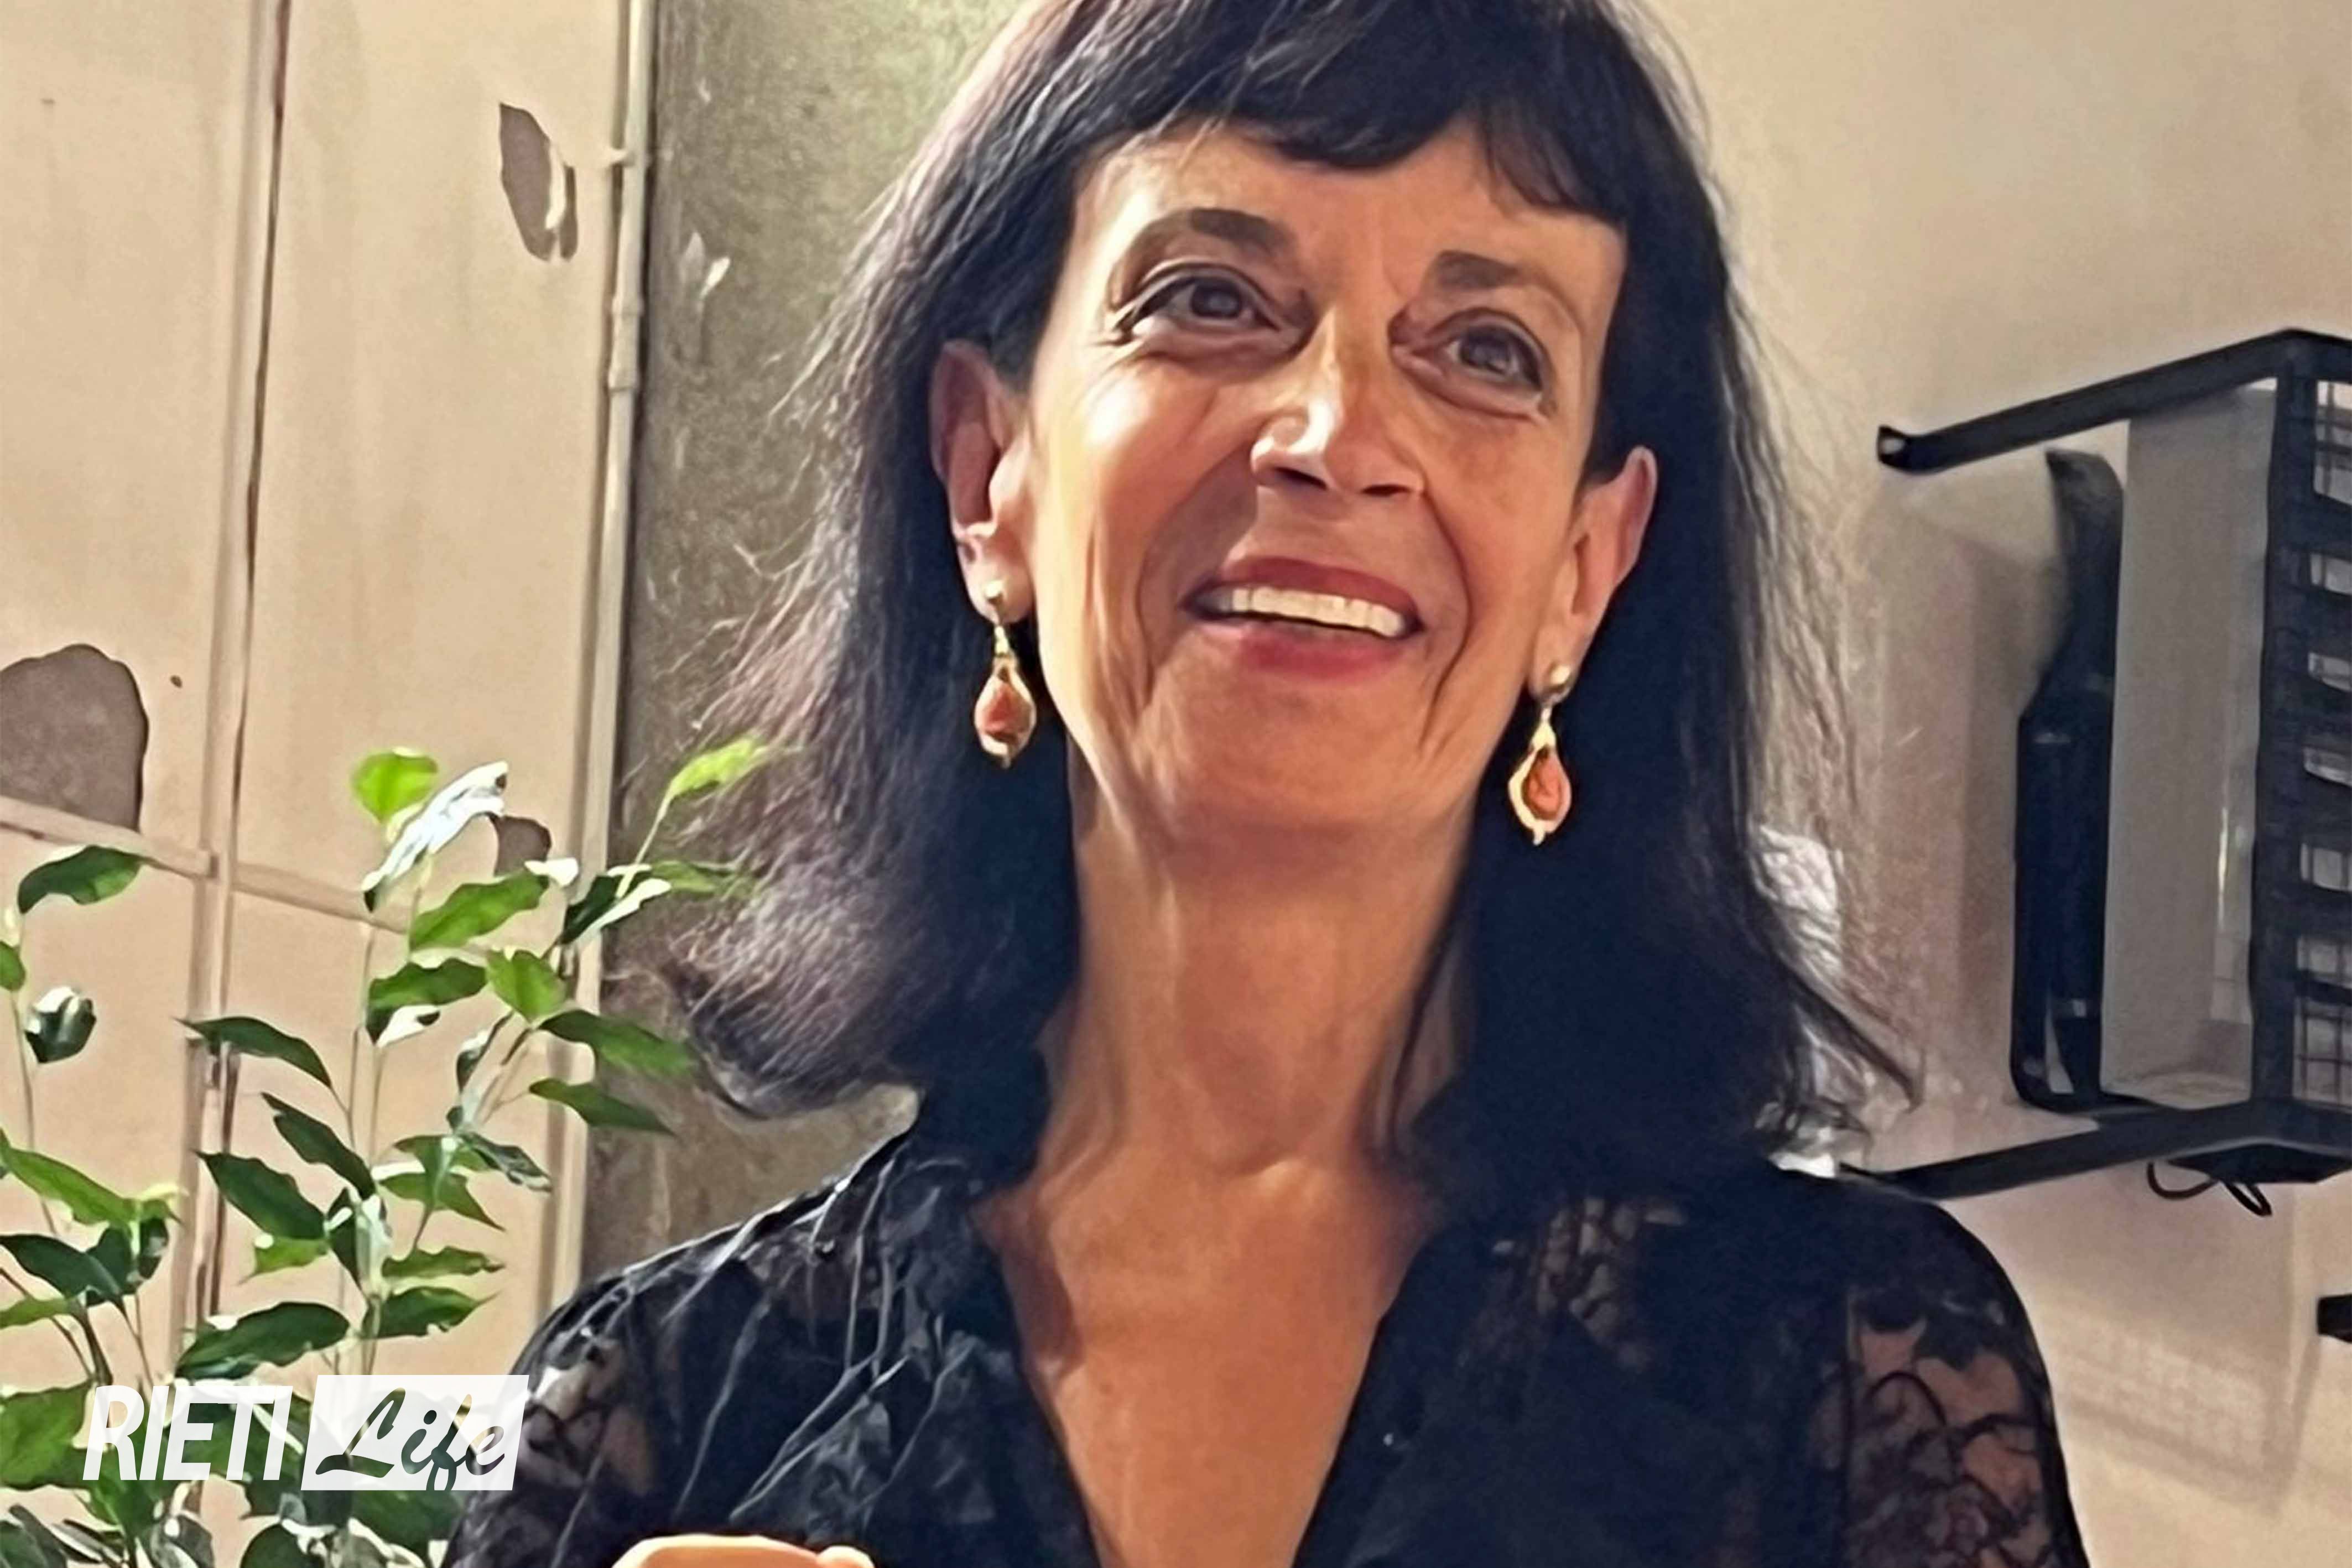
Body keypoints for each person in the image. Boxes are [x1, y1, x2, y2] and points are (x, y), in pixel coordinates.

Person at [448, 1, 2094, 1565]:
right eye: (1213, 299)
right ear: (987, 473)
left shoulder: (1855, 1382)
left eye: (1486, 348)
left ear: (1588, 565)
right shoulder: (653, 1412)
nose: (1335, 432)